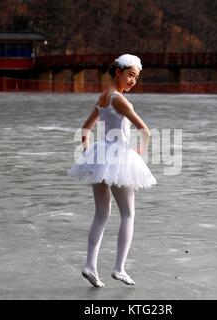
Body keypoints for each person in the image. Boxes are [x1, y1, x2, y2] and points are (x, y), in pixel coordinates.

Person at [67, 54, 157, 287]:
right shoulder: (120, 100)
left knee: (101, 214)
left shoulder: (103, 97)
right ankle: (119, 268)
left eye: (136, 78)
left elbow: (86, 129)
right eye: (130, 75)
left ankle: (90, 265)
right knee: (128, 214)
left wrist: (89, 154)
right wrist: (139, 153)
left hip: (102, 155)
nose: (133, 81)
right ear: (118, 71)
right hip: (118, 157)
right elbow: (144, 130)